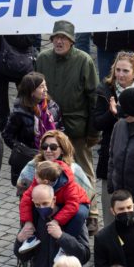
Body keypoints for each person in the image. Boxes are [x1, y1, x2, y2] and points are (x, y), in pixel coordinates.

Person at [34, 21, 99, 182]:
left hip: (77, 129)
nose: (59, 41)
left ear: (72, 41)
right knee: (50, 172)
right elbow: (34, 92)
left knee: (84, 174)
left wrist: (93, 132)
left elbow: (94, 99)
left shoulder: (84, 61)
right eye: (56, 37)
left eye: (63, 38)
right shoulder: (43, 59)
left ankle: (90, 207)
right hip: (50, 129)